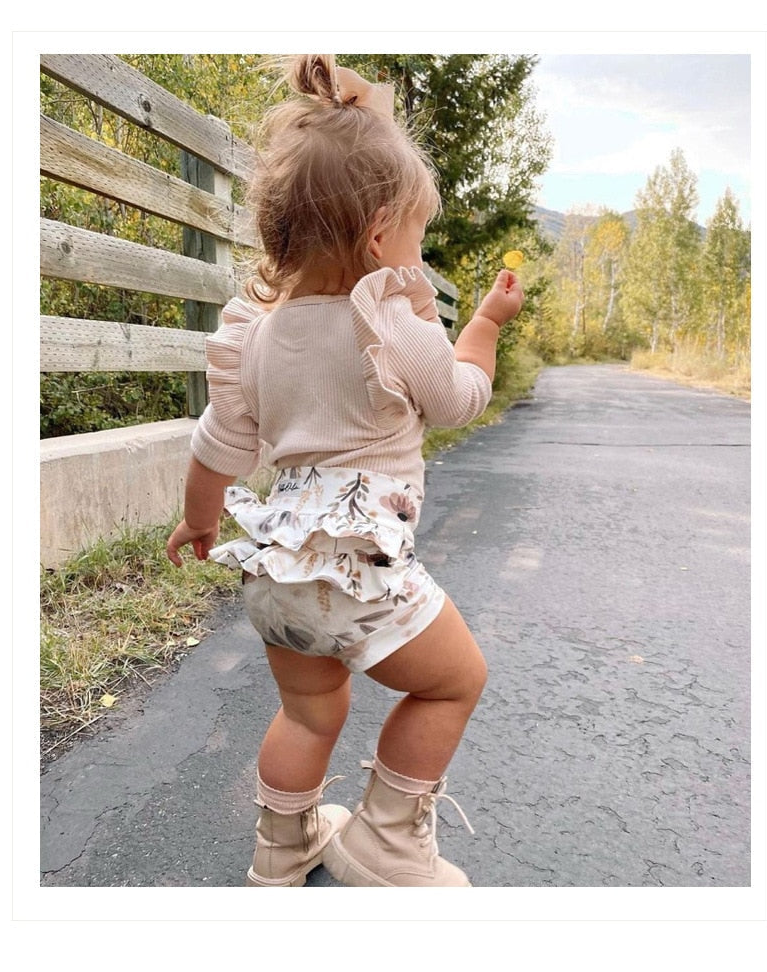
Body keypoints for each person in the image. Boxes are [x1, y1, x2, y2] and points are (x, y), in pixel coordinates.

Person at [166, 54, 524, 888]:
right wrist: (482, 326)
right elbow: (460, 399)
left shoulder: (255, 334)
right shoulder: (391, 324)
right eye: (417, 235)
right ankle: (387, 844)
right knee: (453, 683)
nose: (418, 253)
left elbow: (217, 445)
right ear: (380, 234)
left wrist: (201, 519)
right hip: (357, 573)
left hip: (277, 575)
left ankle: (281, 852)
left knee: (309, 712)